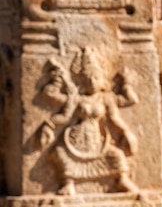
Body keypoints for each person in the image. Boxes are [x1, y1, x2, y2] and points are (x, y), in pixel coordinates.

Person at [41, 47, 138, 195]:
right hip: (76, 139)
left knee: (116, 155)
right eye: (87, 78)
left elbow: (123, 108)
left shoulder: (106, 98)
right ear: (81, 81)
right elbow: (61, 110)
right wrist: (58, 80)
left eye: (95, 77)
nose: (92, 82)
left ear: (102, 79)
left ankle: (121, 180)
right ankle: (68, 183)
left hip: (97, 140)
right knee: (59, 152)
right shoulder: (76, 99)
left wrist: (126, 83)